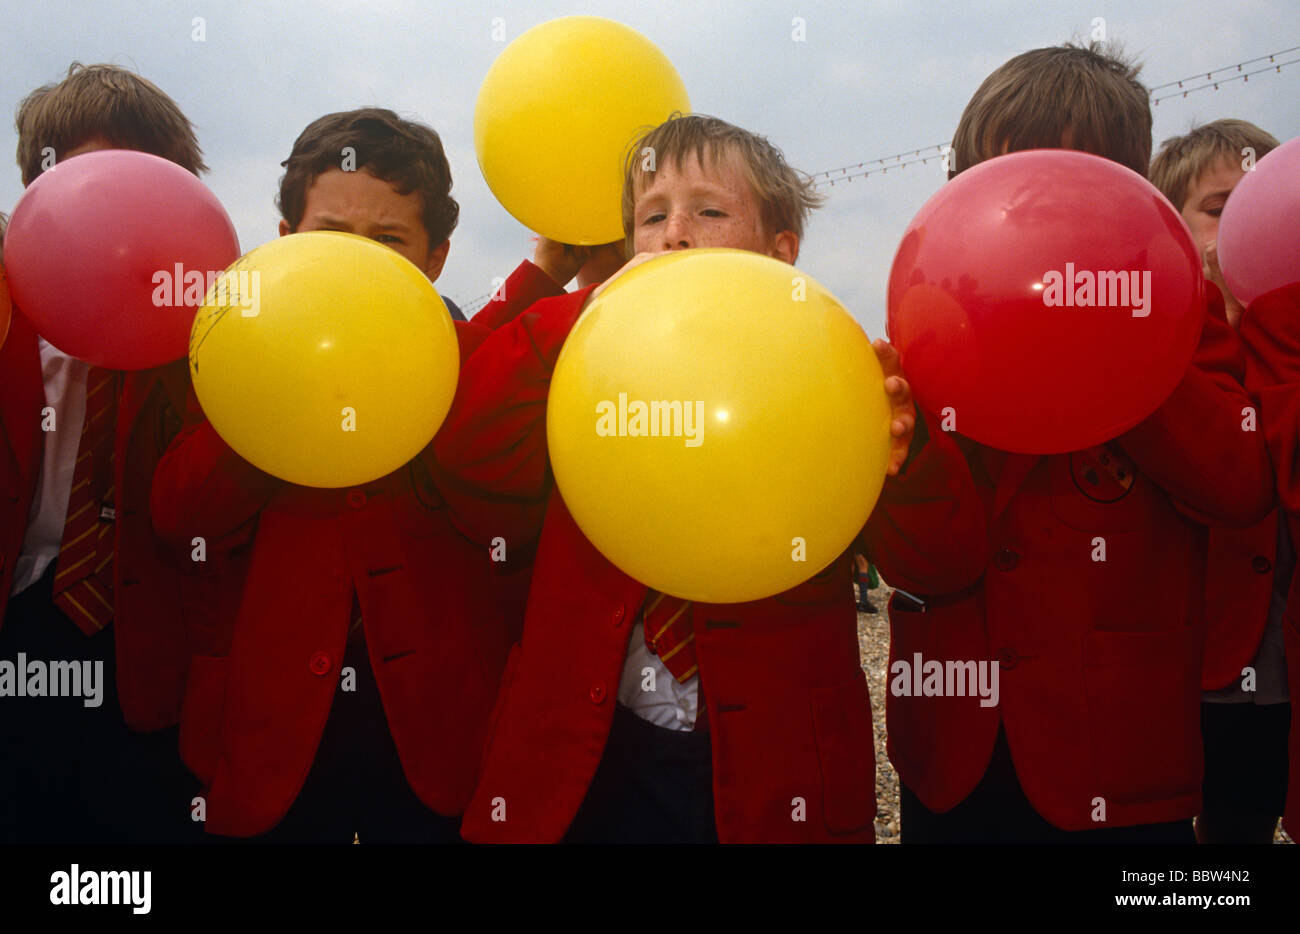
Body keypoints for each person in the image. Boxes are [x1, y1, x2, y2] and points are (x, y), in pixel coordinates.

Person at [435, 113, 915, 843]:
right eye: (652, 217)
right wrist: (583, 312)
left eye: (710, 212)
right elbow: (468, 449)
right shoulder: (586, 366)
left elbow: (933, 555)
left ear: (781, 252)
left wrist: (911, 463)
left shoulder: (829, 374)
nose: (675, 234)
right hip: (590, 761)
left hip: (773, 774)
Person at [860, 43, 1275, 843]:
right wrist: (906, 456)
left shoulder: (1183, 321)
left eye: (1055, 188)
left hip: (1119, 766)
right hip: (953, 753)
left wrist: (1124, 342)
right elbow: (926, 557)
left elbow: (1237, 483)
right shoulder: (931, 327)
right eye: (993, 179)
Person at [150, 108, 532, 841]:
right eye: (333, 237)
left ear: (436, 259)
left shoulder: (469, 367)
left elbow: (510, 528)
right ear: (287, 241)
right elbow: (182, 517)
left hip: (441, 755)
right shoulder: (234, 352)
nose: (359, 261)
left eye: (389, 240)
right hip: (271, 751)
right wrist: (274, 392)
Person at [0, 63, 206, 843]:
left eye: (146, 179)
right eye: (88, 177)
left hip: (148, 646)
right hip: (21, 613)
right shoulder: (8, 321)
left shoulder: (207, 333)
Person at [1149, 119, 1290, 844]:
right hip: (1207, 674)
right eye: (1217, 208)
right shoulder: (1170, 349)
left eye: (1264, 205)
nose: (1242, 226)